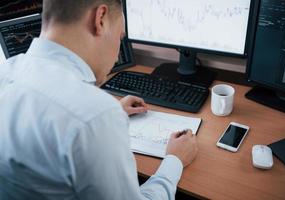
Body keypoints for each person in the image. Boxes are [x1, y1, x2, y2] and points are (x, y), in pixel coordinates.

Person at [0, 0, 198, 199]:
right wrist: (175, 160)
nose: (116, 54)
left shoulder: (6, 72)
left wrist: (110, 113)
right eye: (121, 36)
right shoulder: (95, 114)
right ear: (100, 19)